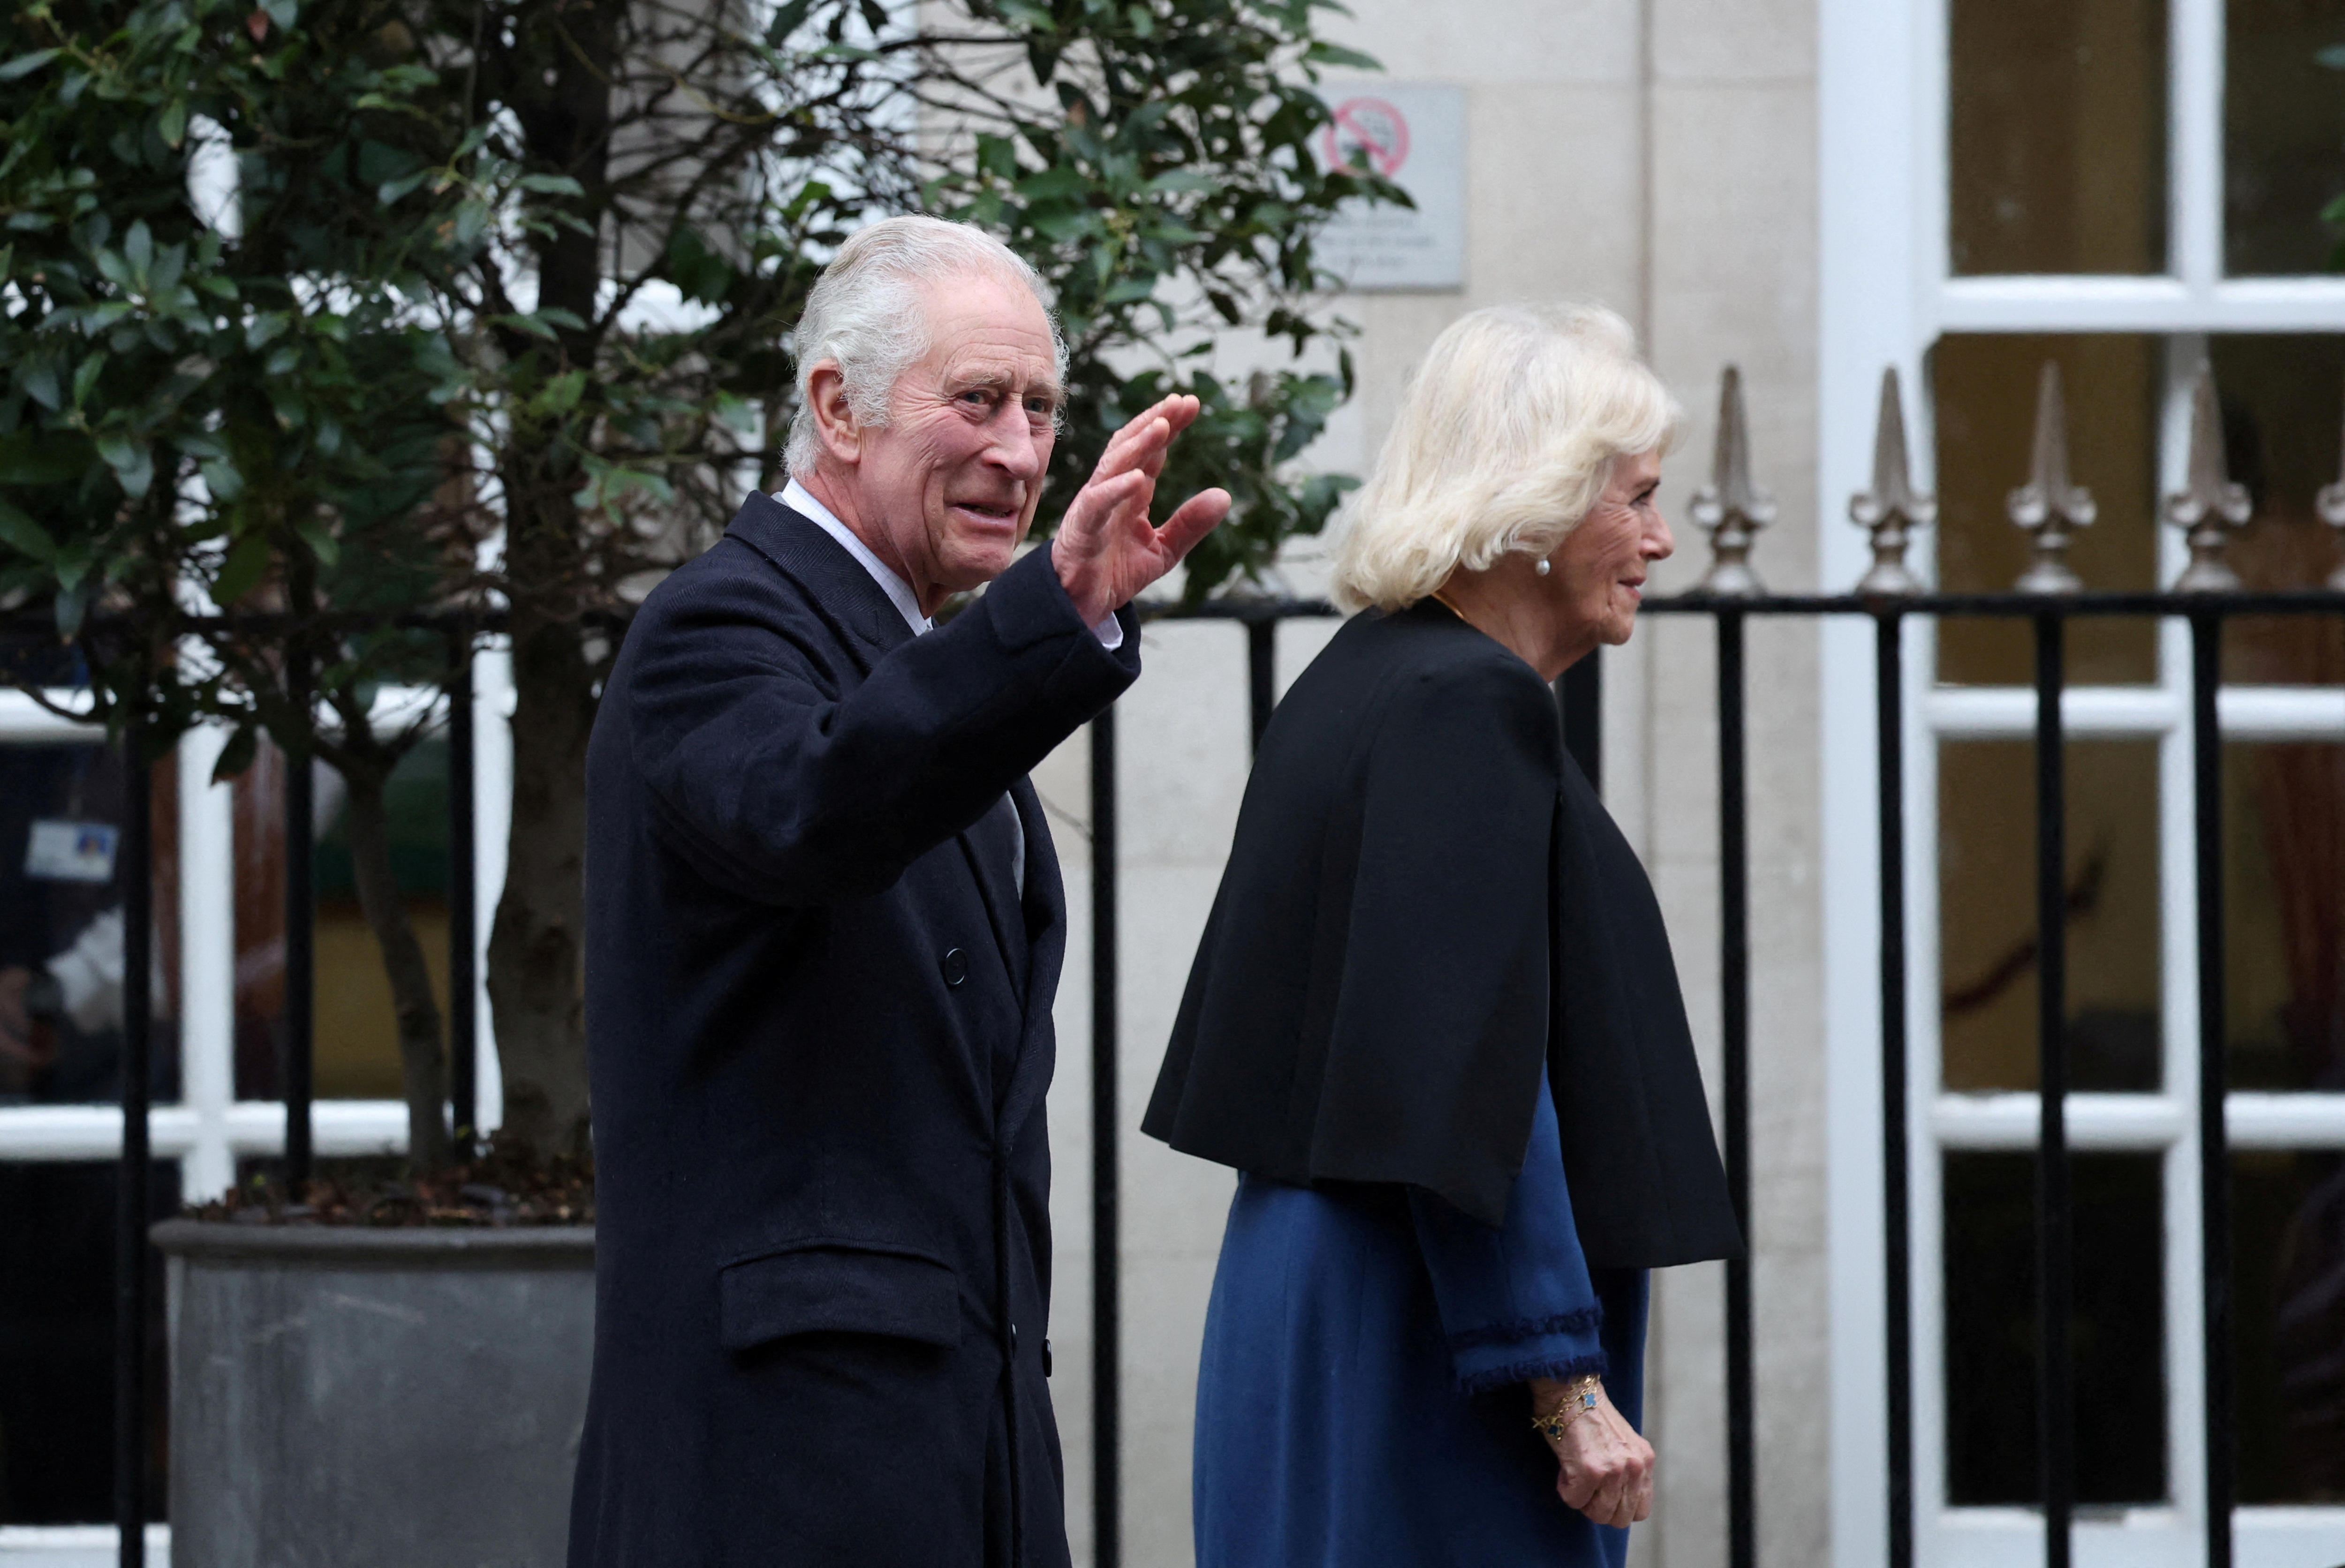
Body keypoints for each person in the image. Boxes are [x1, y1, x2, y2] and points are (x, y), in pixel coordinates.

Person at [571, 215, 1229, 1568]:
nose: (1021, 451)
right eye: (978, 399)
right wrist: (1044, 621)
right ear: (837, 407)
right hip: (784, 1466)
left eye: (1041, 407)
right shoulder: (720, 624)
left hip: (947, 1441)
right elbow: (822, 807)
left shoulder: (905, 645)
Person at [1142, 303, 1743, 1567]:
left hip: (1339, 1293)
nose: (1660, 537)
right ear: (1532, 507)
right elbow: (1466, 1073)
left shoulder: (1374, 676)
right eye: (1634, 498)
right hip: (1426, 1337)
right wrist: (1562, 1384)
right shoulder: (1465, 706)